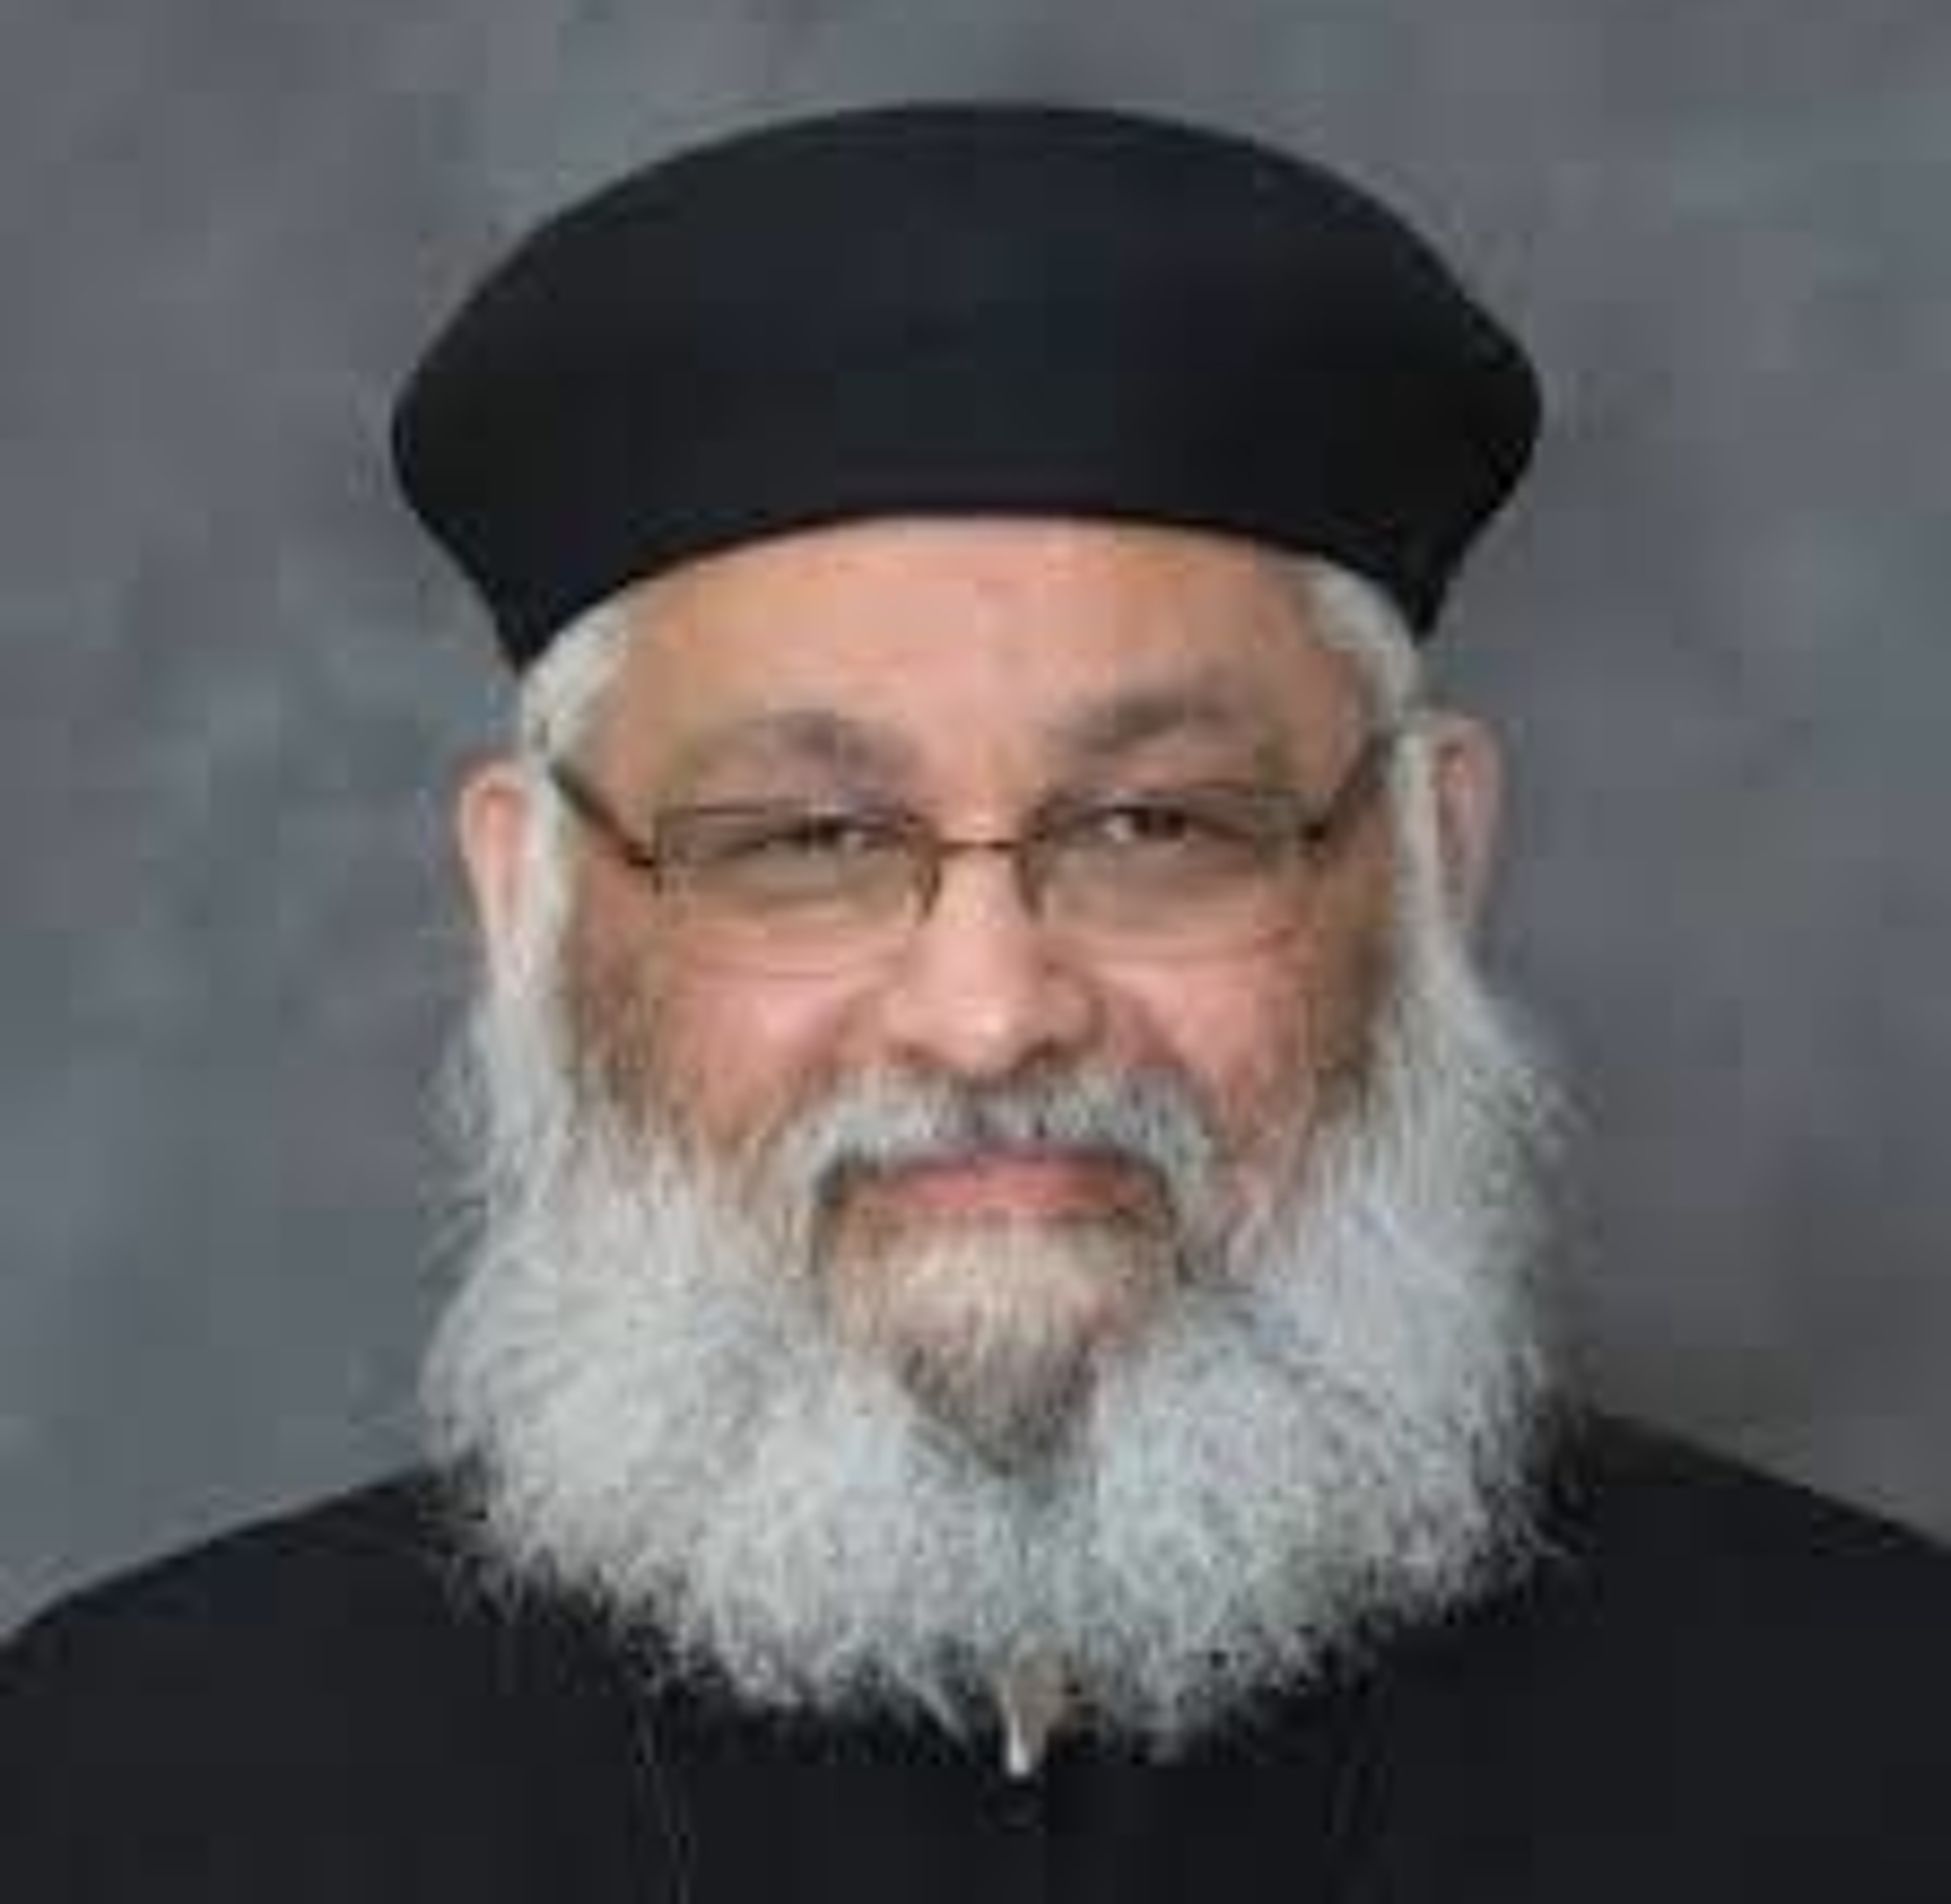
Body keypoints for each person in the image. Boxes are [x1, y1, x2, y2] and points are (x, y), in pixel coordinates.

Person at [3, 102, 1946, 1901]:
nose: (991, 1015)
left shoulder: (1880, 1754)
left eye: (1157, 824)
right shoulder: (127, 1796)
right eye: (807, 841)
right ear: (531, 901)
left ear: (1431, 855)